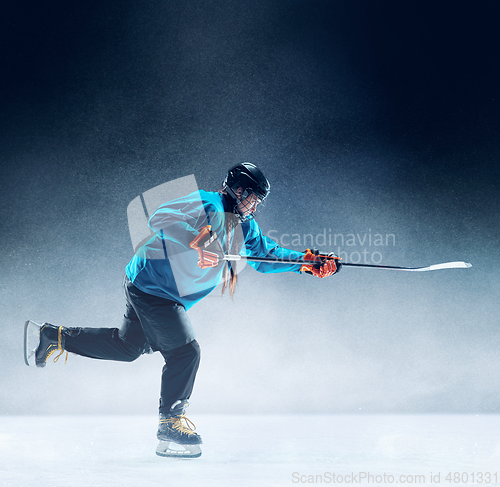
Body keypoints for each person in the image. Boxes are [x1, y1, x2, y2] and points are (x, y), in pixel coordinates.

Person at [24, 162, 341, 458]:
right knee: (186, 353)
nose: (256, 206)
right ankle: (170, 424)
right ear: (239, 191)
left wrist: (308, 262)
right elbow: (158, 217)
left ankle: (54, 336)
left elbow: (264, 256)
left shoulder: (245, 225)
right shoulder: (207, 204)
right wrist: (198, 238)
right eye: (254, 199)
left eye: (259, 201)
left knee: (128, 347)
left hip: (149, 286)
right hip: (154, 289)